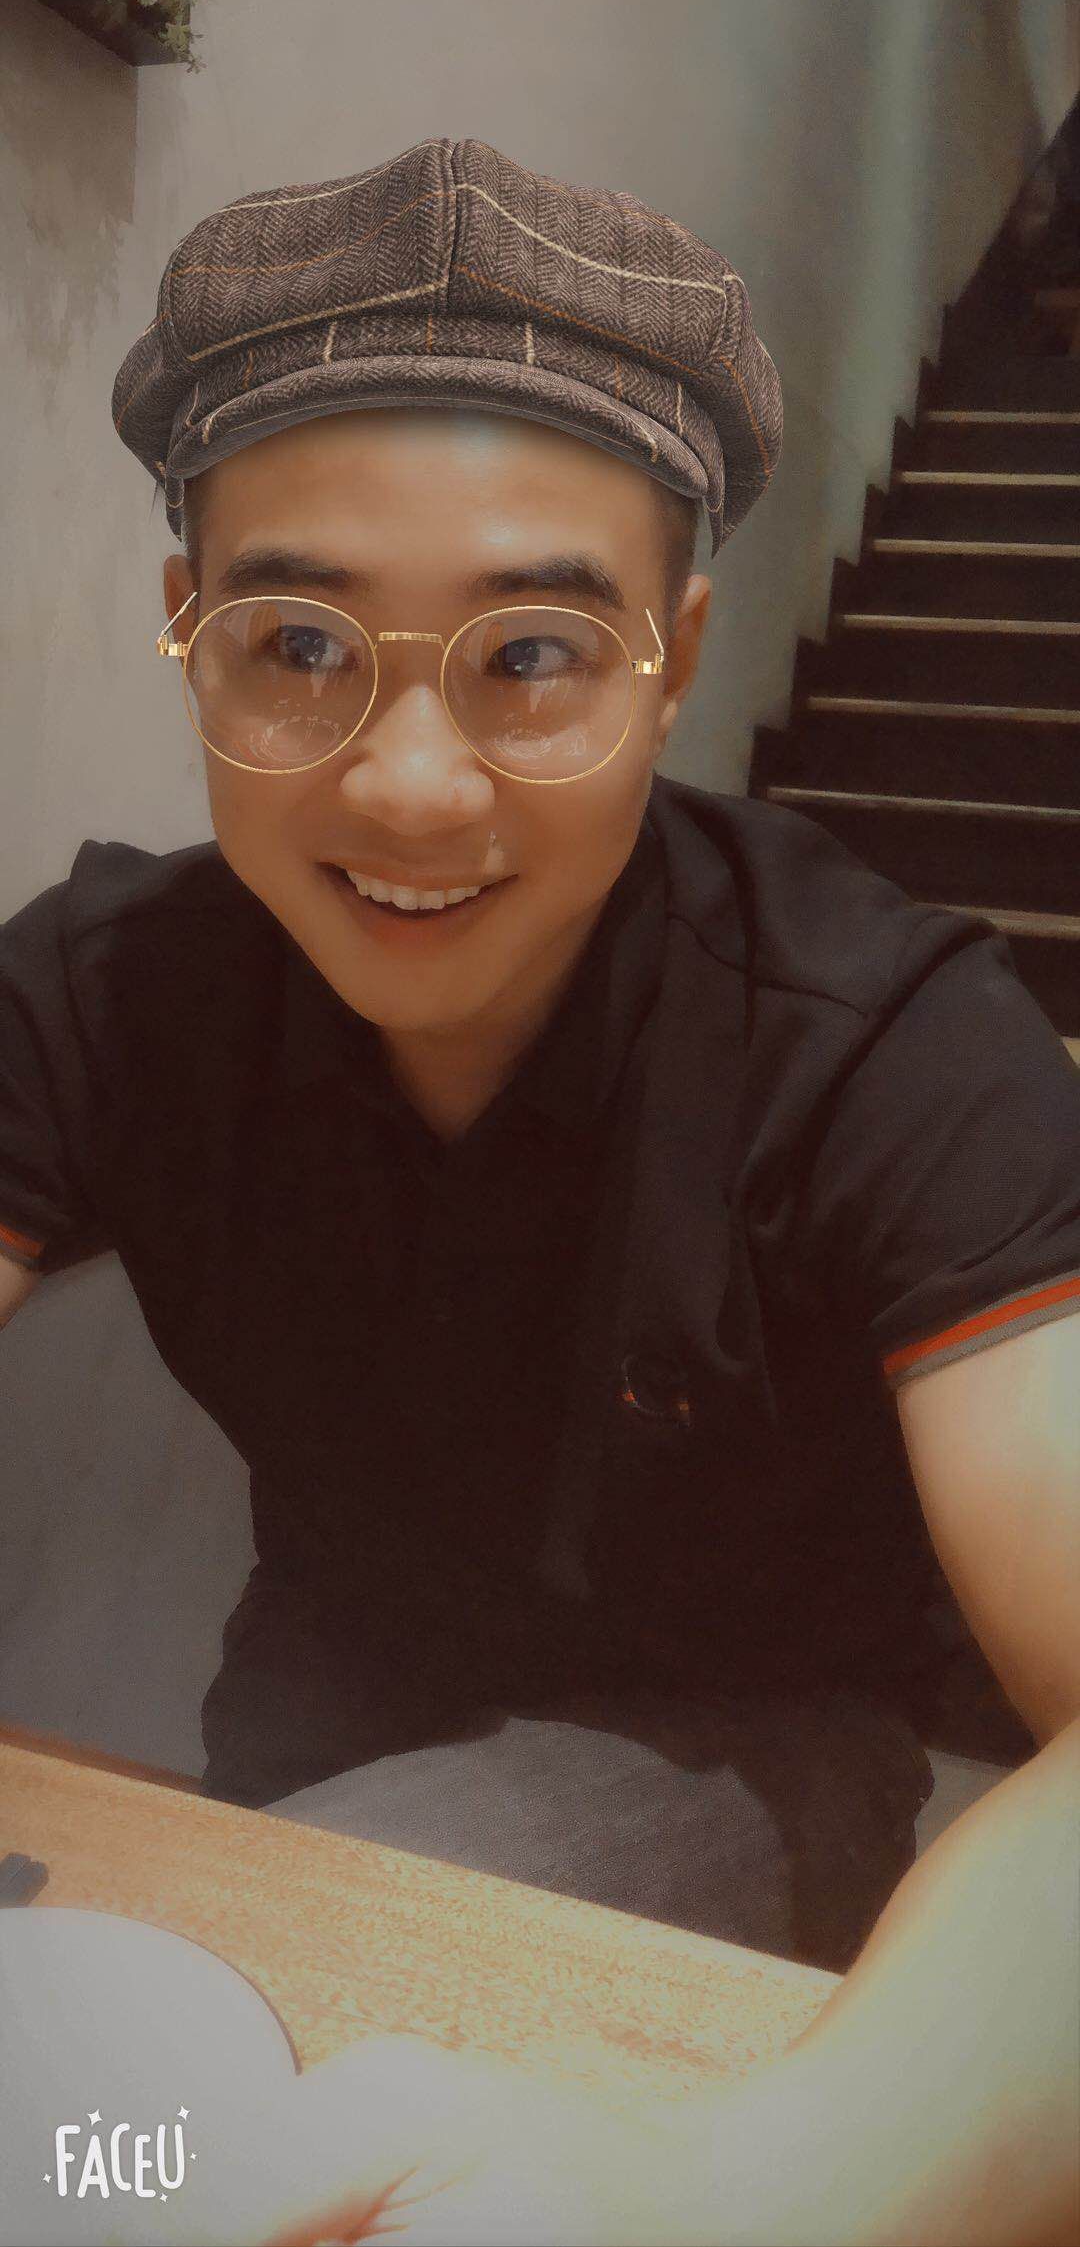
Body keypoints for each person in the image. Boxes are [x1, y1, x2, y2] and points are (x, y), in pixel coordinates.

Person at [2, 138, 1078, 2244]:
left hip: (752, 1744)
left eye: (533, 657)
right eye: (297, 640)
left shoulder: (880, 1039)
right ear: (190, 634)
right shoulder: (116, 990)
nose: (408, 786)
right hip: (311, 1697)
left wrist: (760, 2188)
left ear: (676, 657)